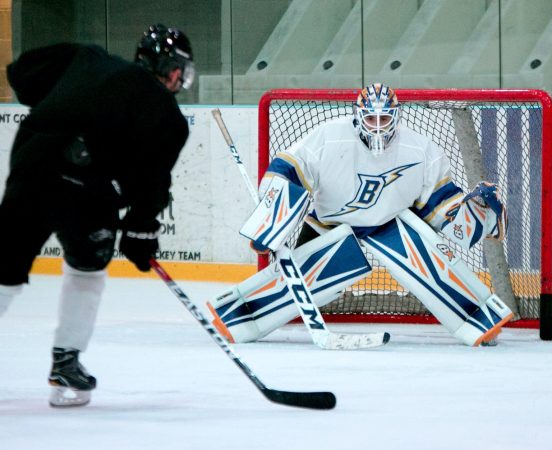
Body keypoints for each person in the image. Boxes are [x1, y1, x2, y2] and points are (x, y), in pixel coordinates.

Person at [210, 83, 512, 348]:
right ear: (358, 116)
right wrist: (271, 217)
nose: (378, 125)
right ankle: (241, 314)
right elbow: (290, 167)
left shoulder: (420, 148)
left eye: (384, 118)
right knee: (300, 277)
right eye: (371, 118)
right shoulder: (330, 136)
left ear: (396, 117)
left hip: (389, 223)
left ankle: (477, 317)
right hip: (330, 220)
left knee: (429, 264)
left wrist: (476, 216)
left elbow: (439, 205)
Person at [0, 24, 194, 407]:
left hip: (35, 168)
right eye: (180, 70)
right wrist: (141, 232)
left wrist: (63, 103)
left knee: (2, 268)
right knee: (87, 271)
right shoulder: (168, 116)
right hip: (89, 193)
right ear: (172, 69)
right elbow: (152, 184)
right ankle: (66, 364)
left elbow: (21, 74)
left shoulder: (87, 58)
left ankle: (65, 364)